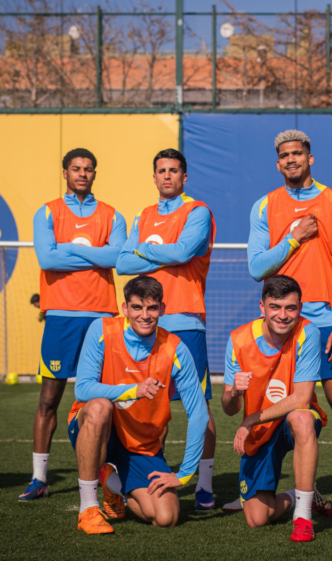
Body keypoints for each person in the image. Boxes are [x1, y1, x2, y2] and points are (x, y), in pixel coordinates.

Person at [243, 129, 332, 514]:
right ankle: (260, 487)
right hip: (282, 324)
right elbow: (256, 268)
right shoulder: (264, 206)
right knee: (277, 406)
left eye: (297, 153)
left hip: (327, 322)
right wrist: (294, 238)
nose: (291, 160)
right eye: (284, 155)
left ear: (310, 158)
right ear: (278, 161)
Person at [19, 148, 127, 501]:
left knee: (106, 401)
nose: (82, 173)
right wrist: (95, 255)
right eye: (76, 168)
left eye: (89, 169)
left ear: (95, 174)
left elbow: (117, 257)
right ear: (65, 172)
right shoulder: (47, 211)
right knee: (49, 399)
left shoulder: (112, 215)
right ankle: (39, 478)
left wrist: (69, 249)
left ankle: (108, 474)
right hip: (61, 316)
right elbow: (47, 258)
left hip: (102, 317)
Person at [117, 148, 218, 510]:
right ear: (154, 176)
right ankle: (153, 472)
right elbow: (122, 263)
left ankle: (204, 484)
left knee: (198, 408)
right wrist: (155, 250)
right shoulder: (143, 215)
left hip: (186, 320)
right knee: (151, 406)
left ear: (184, 177)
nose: (167, 176)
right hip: (146, 324)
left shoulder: (198, 211)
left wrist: (143, 249)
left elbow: (184, 251)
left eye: (174, 171)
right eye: (161, 171)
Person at [67, 276, 209, 534]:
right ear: (125, 308)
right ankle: (88, 509)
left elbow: (198, 414)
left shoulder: (175, 349)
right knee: (100, 407)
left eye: (152, 308)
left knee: (166, 517)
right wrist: (134, 389)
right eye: (137, 307)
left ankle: (112, 483)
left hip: (141, 443)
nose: (145, 315)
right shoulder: (101, 330)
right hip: (97, 428)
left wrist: (184, 474)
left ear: (162, 309)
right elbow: (83, 388)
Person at [222, 275, 330, 542]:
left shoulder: (308, 331)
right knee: (257, 518)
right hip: (260, 432)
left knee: (301, 418)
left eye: (290, 308)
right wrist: (234, 391)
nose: (283, 315)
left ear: (299, 308)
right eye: (275, 307)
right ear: (262, 307)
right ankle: (300, 494)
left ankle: (303, 518)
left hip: (288, 420)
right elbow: (229, 408)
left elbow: (302, 398)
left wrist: (250, 421)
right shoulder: (238, 340)